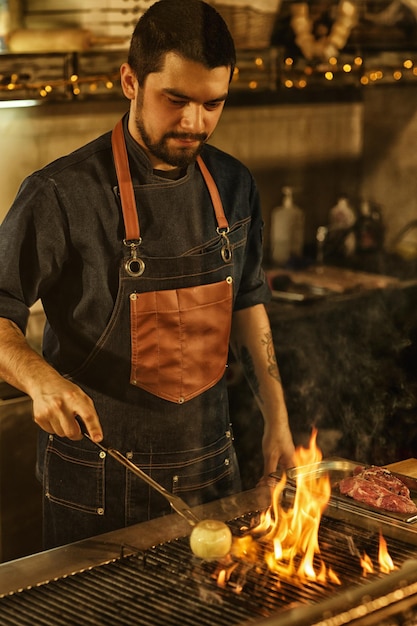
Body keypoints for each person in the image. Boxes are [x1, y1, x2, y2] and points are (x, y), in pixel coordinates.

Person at [0, 0, 295, 550]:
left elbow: (247, 298)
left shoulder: (233, 184)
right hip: (99, 487)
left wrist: (276, 418)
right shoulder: (62, 194)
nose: (193, 123)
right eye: (175, 100)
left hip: (212, 472)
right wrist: (39, 379)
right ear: (130, 80)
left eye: (213, 105)